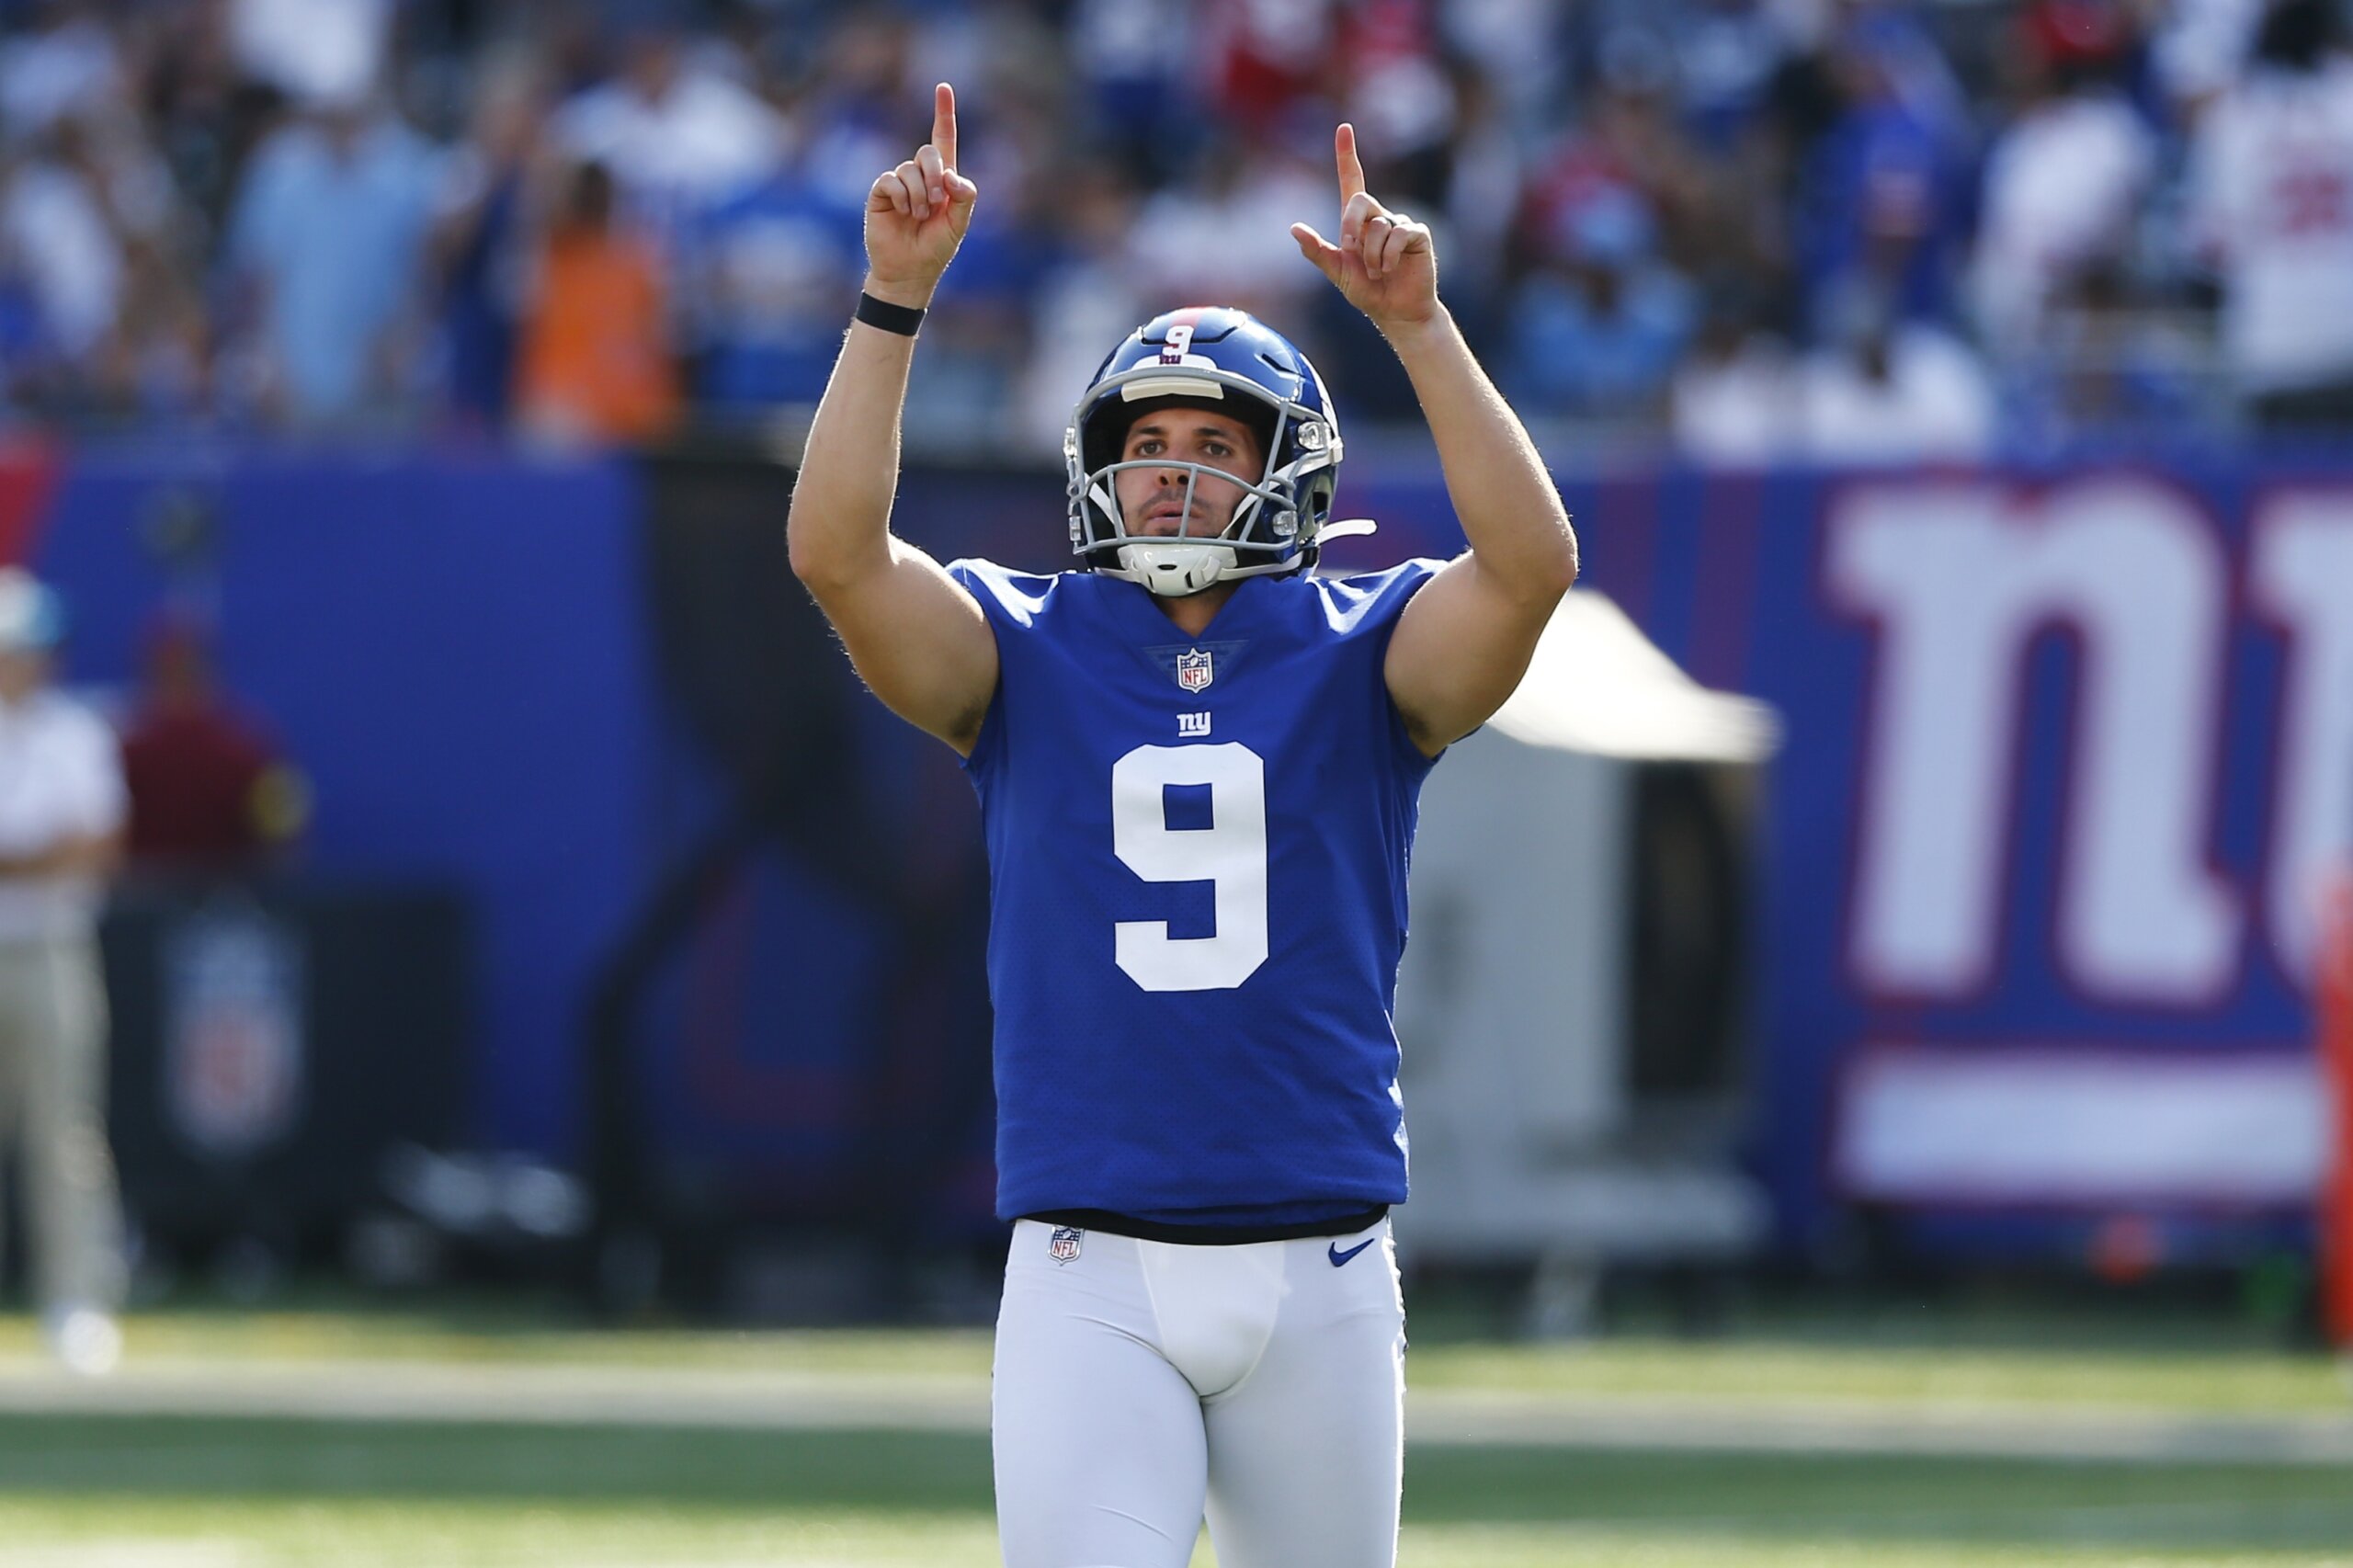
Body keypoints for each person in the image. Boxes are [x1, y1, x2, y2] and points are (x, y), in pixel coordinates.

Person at [787, 84, 1576, 1568]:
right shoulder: (1026, 644)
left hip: (1321, 1252)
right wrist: (892, 303)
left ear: (1289, 468)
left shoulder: (1364, 647)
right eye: (1144, 438)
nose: (1170, 467)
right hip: (1091, 1258)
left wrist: (1420, 329)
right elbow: (835, 553)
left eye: (1214, 439)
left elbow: (1532, 567)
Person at [0, 569, 129, 1375]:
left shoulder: (77, 734)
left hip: (52, 949)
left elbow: (94, 847)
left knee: (65, 1129)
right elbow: (59, 848)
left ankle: (77, 1299)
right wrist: (35, 859)